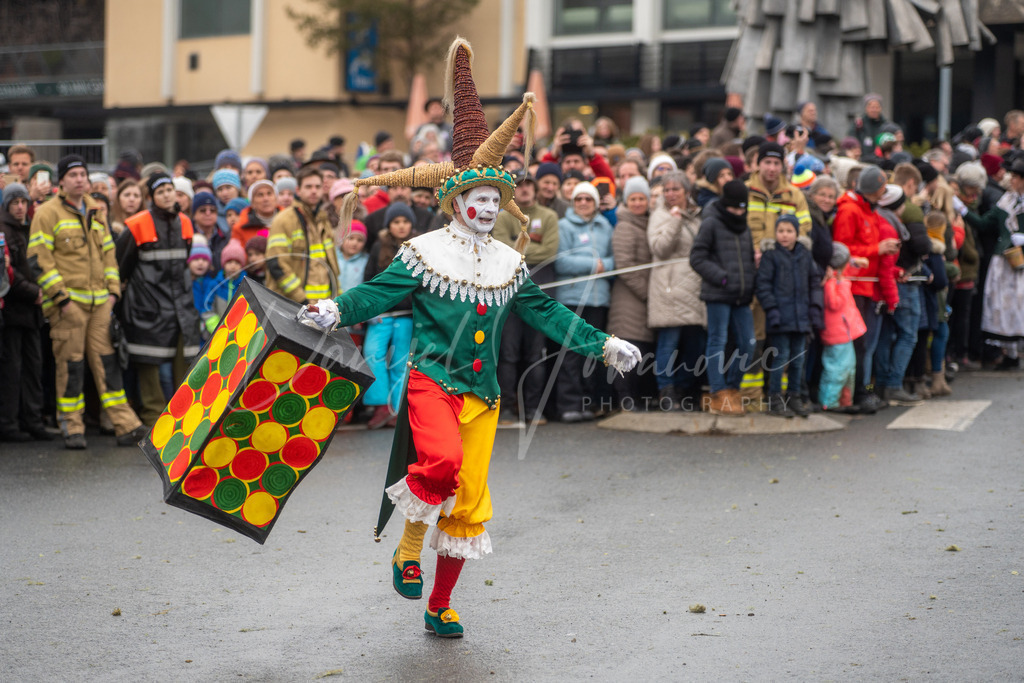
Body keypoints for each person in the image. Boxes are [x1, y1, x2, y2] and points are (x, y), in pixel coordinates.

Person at [303, 39, 640, 639]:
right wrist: (336, 306)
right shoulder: (424, 252)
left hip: (482, 393)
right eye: (478, 199)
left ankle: (441, 602)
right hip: (432, 378)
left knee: (469, 501)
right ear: (456, 201)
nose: (487, 208)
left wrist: (603, 344)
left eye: (494, 200)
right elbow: (376, 294)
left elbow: (547, 315)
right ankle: (408, 548)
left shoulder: (510, 261)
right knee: (441, 462)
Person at [27, 155, 146, 449]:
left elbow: (108, 255)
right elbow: (38, 260)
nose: (80, 179)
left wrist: (113, 293)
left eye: (83, 174)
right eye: (74, 175)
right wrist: (62, 299)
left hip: (100, 305)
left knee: (108, 363)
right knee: (71, 366)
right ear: (62, 181)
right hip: (69, 306)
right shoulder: (47, 213)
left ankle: (126, 425)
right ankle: (72, 426)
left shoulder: (95, 210)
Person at [115, 173, 202, 425]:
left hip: (179, 304)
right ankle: (153, 417)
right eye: (160, 190)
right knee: (148, 364)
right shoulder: (137, 224)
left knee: (183, 363)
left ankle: (183, 417)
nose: (167, 194)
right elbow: (121, 267)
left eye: (169, 189)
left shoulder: (185, 222)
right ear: (151, 196)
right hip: (147, 305)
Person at [493, 172, 559, 426]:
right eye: (519, 186)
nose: (525, 190)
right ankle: (507, 410)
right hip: (508, 295)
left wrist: (516, 245)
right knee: (507, 354)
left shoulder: (548, 216)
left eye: (529, 185)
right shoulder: (502, 216)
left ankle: (533, 409)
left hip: (540, 294)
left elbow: (550, 251)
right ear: (511, 190)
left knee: (536, 354)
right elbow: (499, 249)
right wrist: (530, 246)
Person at [690, 180, 757, 416]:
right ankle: (718, 392)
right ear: (725, 204)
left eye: (742, 208)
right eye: (735, 208)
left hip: (741, 296)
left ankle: (732, 388)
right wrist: (723, 278)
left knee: (748, 344)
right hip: (718, 293)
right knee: (717, 341)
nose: (739, 212)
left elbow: (747, 259)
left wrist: (751, 281)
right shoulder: (711, 223)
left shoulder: (745, 227)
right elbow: (697, 257)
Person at [831, 166, 894, 414]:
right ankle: (858, 394)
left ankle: (862, 392)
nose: (883, 193)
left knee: (864, 344)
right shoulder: (850, 210)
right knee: (859, 345)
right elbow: (843, 249)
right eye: (881, 189)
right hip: (854, 285)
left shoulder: (867, 208)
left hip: (866, 285)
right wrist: (877, 249)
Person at [552, 181, 615, 422]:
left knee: (593, 353)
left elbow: (612, 260)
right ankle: (568, 404)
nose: (583, 203)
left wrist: (603, 265)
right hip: (571, 298)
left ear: (596, 203)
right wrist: (593, 265)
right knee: (570, 354)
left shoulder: (605, 227)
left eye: (588, 199)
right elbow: (561, 262)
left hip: (599, 300)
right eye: (579, 199)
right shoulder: (563, 226)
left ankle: (588, 403)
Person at [647, 171, 706, 410]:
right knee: (668, 342)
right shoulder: (660, 215)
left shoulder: (698, 216)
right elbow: (660, 248)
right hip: (669, 288)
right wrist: (674, 219)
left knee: (696, 343)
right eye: (666, 190)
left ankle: (683, 386)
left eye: (675, 190)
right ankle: (666, 389)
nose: (670, 194)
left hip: (694, 287)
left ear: (687, 192)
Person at [755, 215, 822, 417]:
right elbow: (763, 285)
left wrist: (814, 309)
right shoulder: (771, 255)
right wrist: (772, 310)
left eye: (789, 231)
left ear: (797, 233)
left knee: (798, 360)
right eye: (781, 231)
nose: (784, 235)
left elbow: (813, 282)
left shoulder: (804, 255)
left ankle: (794, 397)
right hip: (780, 318)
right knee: (780, 358)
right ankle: (775, 398)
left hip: (801, 317)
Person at [0, 183, 52, 441]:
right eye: (14, 203)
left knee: (33, 367)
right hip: (14, 309)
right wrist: (35, 292)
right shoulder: (4, 229)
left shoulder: (29, 226)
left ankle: (32, 420)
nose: (20, 207)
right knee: (13, 369)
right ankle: (9, 424)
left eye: (23, 202)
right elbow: (10, 273)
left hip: (32, 312)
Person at [361, 202, 418, 429]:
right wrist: (370, 308)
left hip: (407, 314)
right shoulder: (378, 247)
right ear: (389, 225)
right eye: (396, 222)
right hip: (381, 314)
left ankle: (397, 409)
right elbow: (370, 280)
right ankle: (380, 406)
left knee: (401, 362)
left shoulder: (419, 246)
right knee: (372, 356)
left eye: (405, 221)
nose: (401, 226)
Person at [873, 185, 931, 406]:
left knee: (886, 336)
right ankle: (893, 385)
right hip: (901, 283)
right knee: (907, 335)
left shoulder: (879, 218)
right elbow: (917, 248)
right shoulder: (893, 224)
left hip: (891, 282)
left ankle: (880, 385)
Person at [608, 176, 657, 411]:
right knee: (627, 353)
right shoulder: (626, 225)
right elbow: (625, 266)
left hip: (642, 299)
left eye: (642, 199)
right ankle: (625, 399)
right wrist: (649, 293)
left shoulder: (647, 223)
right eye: (633, 199)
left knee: (642, 352)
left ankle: (635, 398)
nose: (638, 203)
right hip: (630, 300)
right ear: (626, 201)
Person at [974, 158, 1024, 368]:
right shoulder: (1006, 202)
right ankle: (1011, 354)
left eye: (1015, 177)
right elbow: (985, 224)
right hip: (1006, 262)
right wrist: (963, 211)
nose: (1011, 180)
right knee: (1007, 305)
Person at [265, 167, 339, 303]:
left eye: (317, 186)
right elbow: (276, 264)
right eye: (308, 186)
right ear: (298, 190)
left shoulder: (323, 220)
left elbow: (331, 264)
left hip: (323, 306)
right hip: (294, 305)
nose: (314, 191)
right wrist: (301, 300)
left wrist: (337, 298)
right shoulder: (284, 220)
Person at [819, 243, 866, 411]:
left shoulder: (837, 279)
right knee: (836, 370)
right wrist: (842, 285)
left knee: (848, 370)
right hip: (837, 334)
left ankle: (845, 402)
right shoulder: (832, 283)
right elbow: (834, 303)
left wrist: (854, 263)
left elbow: (848, 272)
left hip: (844, 334)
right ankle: (829, 402)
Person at [232, 179, 278, 246]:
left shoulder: (289, 221)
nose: (266, 199)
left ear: (276, 199)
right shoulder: (240, 228)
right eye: (260, 195)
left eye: (269, 194)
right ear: (252, 203)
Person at [849, 94, 890, 159]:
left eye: (877, 107)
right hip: (862, 159)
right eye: (871, 107)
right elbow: (851, 139)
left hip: (881, 160)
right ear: (866, 109)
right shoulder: (859, 124)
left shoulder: (886, 125)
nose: (874, 110)